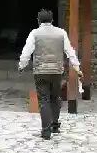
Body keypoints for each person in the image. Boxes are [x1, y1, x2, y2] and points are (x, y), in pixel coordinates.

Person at [17, 9, 80, 139]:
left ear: (38, 21)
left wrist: (21, 65)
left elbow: (26, 52)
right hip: (57, 71)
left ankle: (46, 130)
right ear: (52, 20)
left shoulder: (35, 33)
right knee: (55, 97)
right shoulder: (61, 33)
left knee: (43, 100)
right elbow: (70, 51)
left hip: (40, 71)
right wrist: (77, 67)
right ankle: (55, 125)